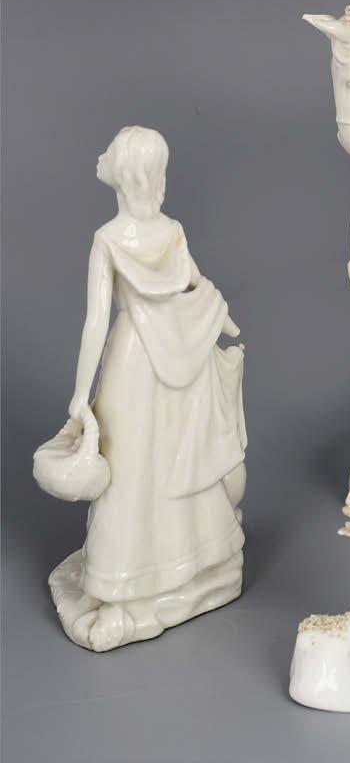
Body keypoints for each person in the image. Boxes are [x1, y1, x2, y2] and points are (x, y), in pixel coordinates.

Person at [63, 125, 246, 649]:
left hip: (133, 361)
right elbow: (197, 286)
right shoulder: (172, 232)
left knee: (132, 470)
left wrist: (80, 394)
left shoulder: (107, 238)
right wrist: (223, 323)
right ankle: (194, 566)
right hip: (181, 358)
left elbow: (96, 321)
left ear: (122, 174)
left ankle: (126, 583)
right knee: (174, 463)